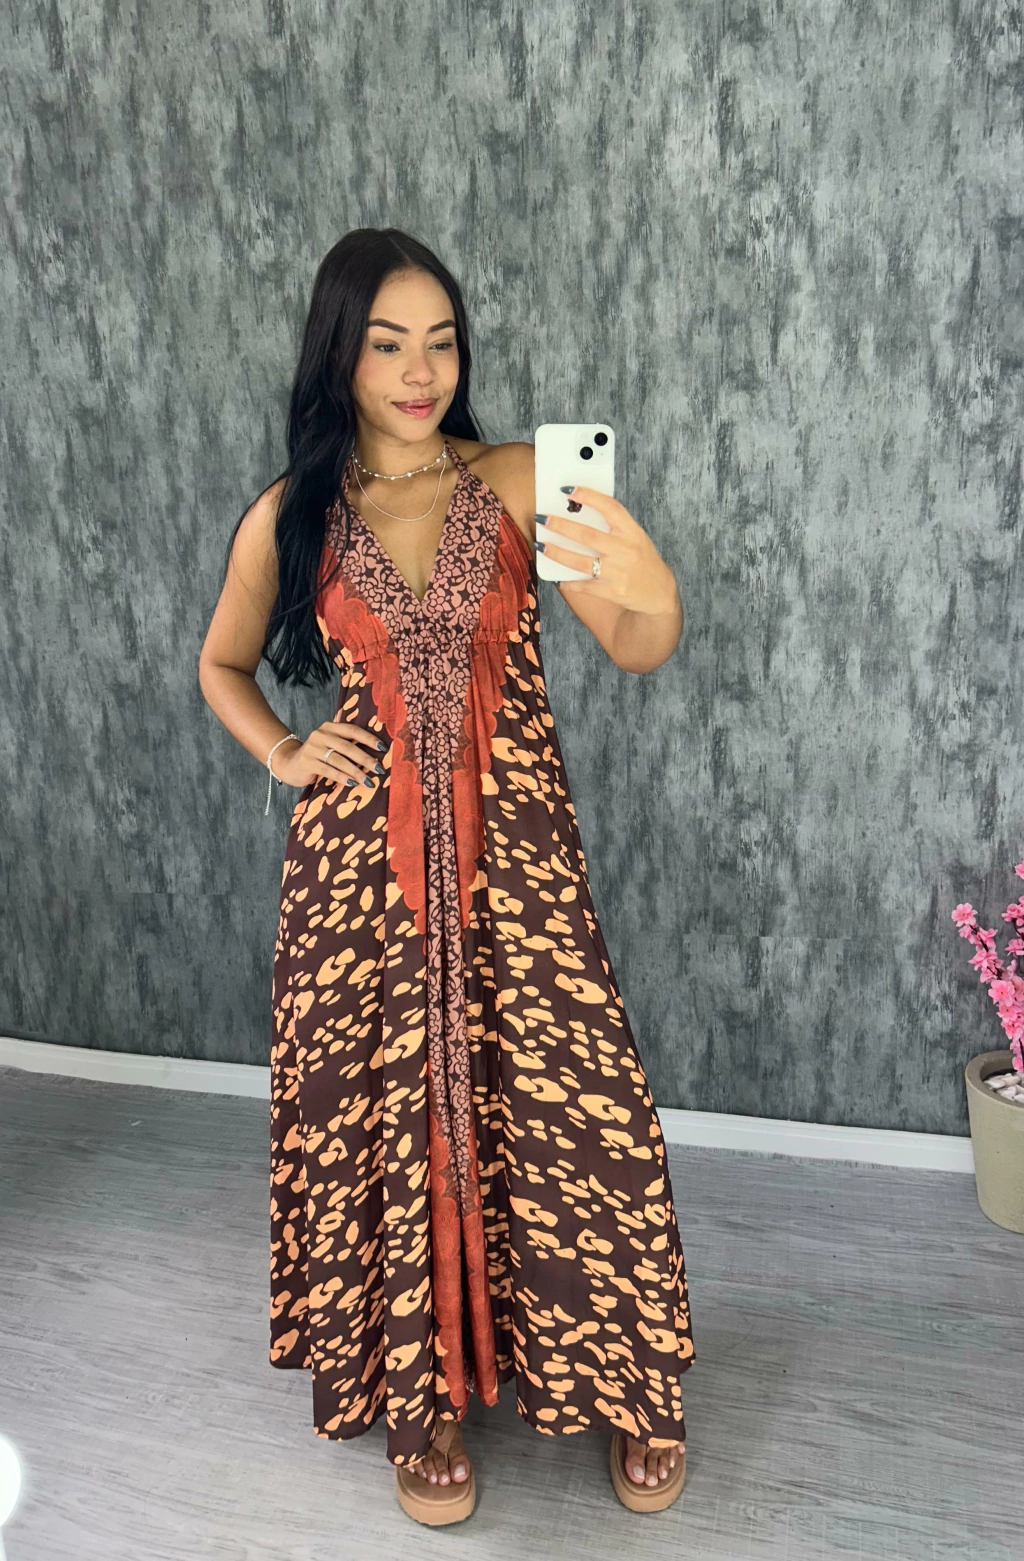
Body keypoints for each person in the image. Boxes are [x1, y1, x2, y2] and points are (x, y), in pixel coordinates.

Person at [198, 228, 695, 1525]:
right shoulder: (291, 514)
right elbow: (221, 665)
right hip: (357, 883)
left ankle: (632, 1381)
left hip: (520, 860)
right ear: (340, 355)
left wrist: (653, 584)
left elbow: (637, 643)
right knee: (388, 1121)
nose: (421, 372)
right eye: (387, 344)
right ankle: (419, 1405)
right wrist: (286, 751)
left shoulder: (528, 475)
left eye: (442, 342)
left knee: (577, 1104)